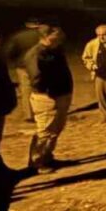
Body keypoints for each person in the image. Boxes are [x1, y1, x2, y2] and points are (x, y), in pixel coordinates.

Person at [25, 26, 73, 172]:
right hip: (47, 97)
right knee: (45, 130)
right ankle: (37, 161)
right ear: (47, 36)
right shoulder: (37, 54)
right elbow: (37, 78)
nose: (61, 38)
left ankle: (47, 156)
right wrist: (49, 90)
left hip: (60, 94)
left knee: (55, 129)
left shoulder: (56, 50)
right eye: (57, 36)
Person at [3, 18, 44, 124]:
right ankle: (42, 111)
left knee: (26, 89)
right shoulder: (42, 35)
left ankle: (29, 114)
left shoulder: (18, 36)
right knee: (41, 87)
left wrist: (13, 62)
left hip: (23, 66)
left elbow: (10, 51)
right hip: (41, 64)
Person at [82, 24, 106, 122]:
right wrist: (92, 66)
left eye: (104, 34)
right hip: (100, 74)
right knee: (102, 96)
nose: (101, 37)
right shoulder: (92, 44)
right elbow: (86, 57)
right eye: (99, 35)